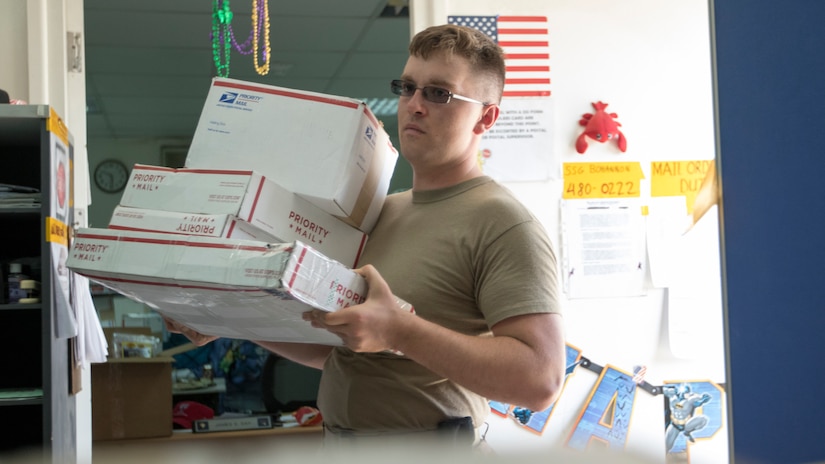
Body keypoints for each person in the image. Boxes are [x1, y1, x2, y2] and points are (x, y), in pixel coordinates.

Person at [166, 23, 565, 448]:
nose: (414, 105)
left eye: (438, 93)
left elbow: (540, 380)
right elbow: (337, 347)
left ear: (485, 117)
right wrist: (228, 321)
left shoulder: (502, 222)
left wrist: (401, 331)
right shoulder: (382, 212)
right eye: (407, 87)